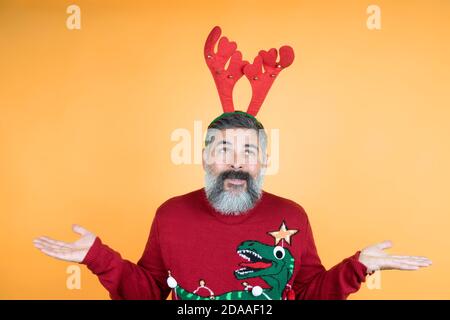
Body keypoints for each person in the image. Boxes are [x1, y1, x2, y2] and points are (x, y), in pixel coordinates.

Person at [33, 26, 431, 300]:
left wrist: (358, 266)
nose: (236, 163)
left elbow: (310, 293)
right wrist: (96, 257)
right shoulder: (170, 214)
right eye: (224, 150)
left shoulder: (292, 214)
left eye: (248, 152)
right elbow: (149, 292)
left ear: (265, 161)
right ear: (205, 156)